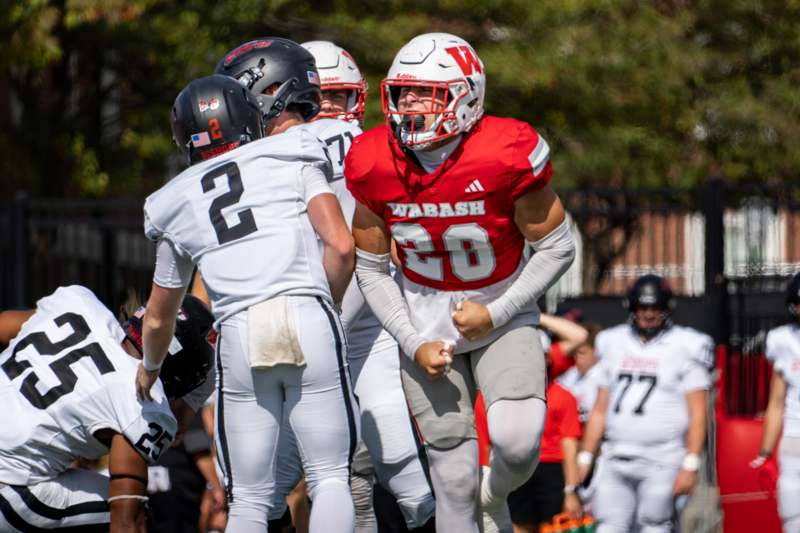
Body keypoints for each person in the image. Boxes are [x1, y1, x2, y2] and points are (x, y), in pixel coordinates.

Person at [344, 32, 576, 533]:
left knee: (518, 442)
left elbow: (558, 246)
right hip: (423, 323)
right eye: (402, 92)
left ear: (466, 97)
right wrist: (412, 341)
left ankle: (493, 497)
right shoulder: (374, 159)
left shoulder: (504, 151)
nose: (409, 104)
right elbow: (370, 268)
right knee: (451, 480)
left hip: (501, 309)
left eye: (424, 93)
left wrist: (497, 312)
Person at [135, 55, 358, 533]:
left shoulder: (173, 200)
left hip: (238, 331)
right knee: (330, 478)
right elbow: (341, 246)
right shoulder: (292, 150)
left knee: (250, 500)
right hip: (306, 309)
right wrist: (329, 306)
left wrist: (150, 368)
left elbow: (158, 316)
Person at [0, 285, 214, 531]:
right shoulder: (143, 402)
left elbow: (3, 324)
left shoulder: (79, 302)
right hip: (10, 485)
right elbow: (125, 521)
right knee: (138, 514)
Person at [577, 274, 712, 533]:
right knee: (608, 526)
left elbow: (698, 413)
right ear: (631, 307)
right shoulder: (612, 341)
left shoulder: (687, 345)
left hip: (662, 458)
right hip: (615, 455)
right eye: (642, 307)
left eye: (655, 307)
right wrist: (586, 456)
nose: (648, 314)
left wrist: (691, 463)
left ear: (666, 308)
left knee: (655, 525)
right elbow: (600, 409)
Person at [751, 272, 800, 532]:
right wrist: (765, 452)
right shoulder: (783, 340)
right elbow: (776, 402)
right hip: (794, 439)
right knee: (792, 519)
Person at [558, 323, 604, 424]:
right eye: (574, 353)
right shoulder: (569, 375)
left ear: (596, 351)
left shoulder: (605, 377)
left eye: (582, 353)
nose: (577, 358)